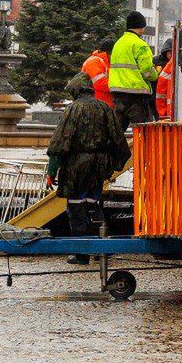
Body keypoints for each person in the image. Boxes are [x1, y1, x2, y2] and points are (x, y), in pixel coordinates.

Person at [46, 72, 131, 241]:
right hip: (99, 166)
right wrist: (113, 165)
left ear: (76, 91)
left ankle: (81, 248)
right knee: (93, 203)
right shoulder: (105, 108)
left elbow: (59, 143)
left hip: (76, 166)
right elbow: (119, 141)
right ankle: (99, 243)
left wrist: (52, 171)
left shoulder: (72, 110)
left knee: (76, 205)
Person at [108, 12, 158, 128]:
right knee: (143, 131)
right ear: (142, 27)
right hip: (136, 94)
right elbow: (147, 71)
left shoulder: (118, 44)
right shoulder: (140, 45)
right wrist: (156, 75)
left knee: (117, 132)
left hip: (117, 93)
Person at [153, 49, 174, 119]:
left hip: (161, 104)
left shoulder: (170, 63)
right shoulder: (157, 61)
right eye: (170, 52)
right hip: (153, 95)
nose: (171, 54)